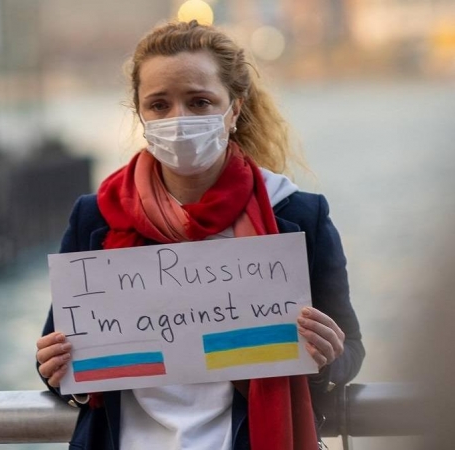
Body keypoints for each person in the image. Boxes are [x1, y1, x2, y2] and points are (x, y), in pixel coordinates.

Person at [36, 20, 364, 450]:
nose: (179, 120)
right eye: (159, 105)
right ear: (140, 113)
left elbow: (350, 350)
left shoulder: (298, 215)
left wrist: (327, 356)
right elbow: (54, 360)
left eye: (200, 102)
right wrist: (55, 366)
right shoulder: (96, 216)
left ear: (235, 109)